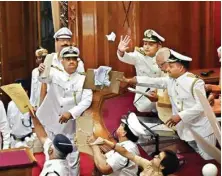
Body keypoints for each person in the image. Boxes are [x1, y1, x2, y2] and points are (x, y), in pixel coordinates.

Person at [119, 49, 215, 160]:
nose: (167, 69)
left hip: (201, 130)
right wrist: (131, 80)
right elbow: (153, 81)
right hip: (186, 130)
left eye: (171, 66)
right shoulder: (171, 80)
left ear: (180, 67)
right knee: (197, 157)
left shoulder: (195, 82)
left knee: (209, 159)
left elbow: (201, 106)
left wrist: (180, 116)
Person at [37, 46, 92, 176]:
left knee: (72, 158)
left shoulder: (83, 79)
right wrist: (41, 71)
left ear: (78, 62)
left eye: (74, 59)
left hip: (69, 126)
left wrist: (71, 113)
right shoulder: (55, 73)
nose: (71, 61)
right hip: (51, 122)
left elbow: (87, 100)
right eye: (68, 59)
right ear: (62, 61)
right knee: (50, 154)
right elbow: (43, 79)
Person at [117, 29, 164, 113]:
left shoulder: (164, 56)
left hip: (160, 96)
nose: (146, 47)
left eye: (151, 44)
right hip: (144, 98)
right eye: (145, 44)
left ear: (159, 46)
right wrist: (121, 51)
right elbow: (127, 57)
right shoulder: (139, 55)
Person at [38, 27, 85, 106]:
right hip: (52, 103)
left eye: (68, 40)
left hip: (69, 103)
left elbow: (82, 85)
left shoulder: (78, 62)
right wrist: (40, 105)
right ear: (56, 41)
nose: (65, 43)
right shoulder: (50, 59)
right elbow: (44, 85)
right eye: (62, 40)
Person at [92, 138, 180, 176]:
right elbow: (128, 154)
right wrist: (107, 143)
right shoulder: (148, 165)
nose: (156, 155)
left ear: (162, 166)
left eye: (159, 157)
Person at [29, 108, 73, 176]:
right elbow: (43, 136)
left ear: (50, 151)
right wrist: (33, 117)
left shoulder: (53, 173)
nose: (49, 143)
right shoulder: (57, 156)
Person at [7, 79, 33, 148]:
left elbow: (34, 126)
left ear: (26, 91)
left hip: (28, 141)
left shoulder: (31, 104)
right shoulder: (10, 105)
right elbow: (8, 124)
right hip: (14, 141)